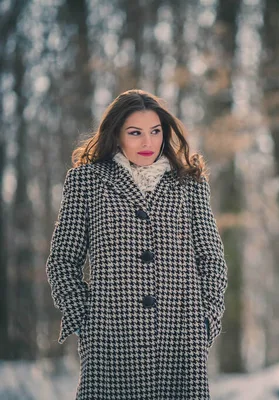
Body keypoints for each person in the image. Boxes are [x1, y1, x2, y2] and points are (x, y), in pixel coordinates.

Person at [46, 89, 228, 399]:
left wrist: (206, 319)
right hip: (111, 344)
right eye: (136, 133)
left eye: (155, 131)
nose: (148, 142)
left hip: (181, 343)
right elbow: (63, 261)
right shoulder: (87, 182)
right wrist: (85, 320)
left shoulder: (190, 184)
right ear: (117, 135)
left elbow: (212, 260)